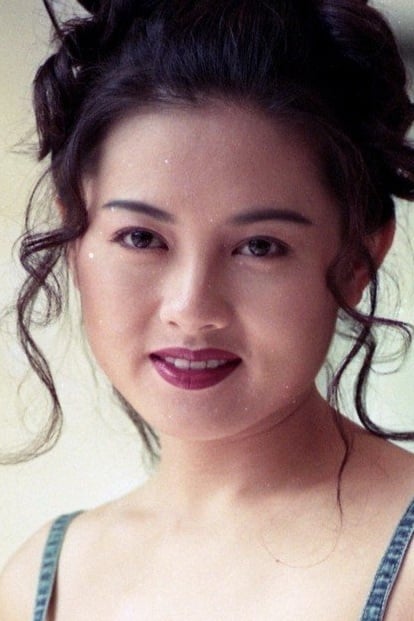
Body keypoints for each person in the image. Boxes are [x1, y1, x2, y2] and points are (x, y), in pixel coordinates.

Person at [1, 0, 414, 618]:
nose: (192, 310)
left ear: (358, 259)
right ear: (73, 239)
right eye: (141, 237)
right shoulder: (44, 578)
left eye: (260, 247)